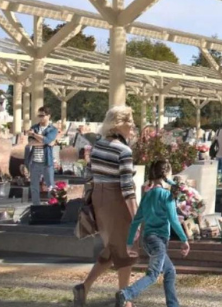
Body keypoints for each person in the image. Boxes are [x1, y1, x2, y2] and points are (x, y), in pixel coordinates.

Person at [74, 106, 137, 307]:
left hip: (99, 200)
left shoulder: (98, 145)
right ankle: (123, 299)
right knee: (126, 251)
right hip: (117, 200)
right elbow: (127, 188)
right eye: (130, 121)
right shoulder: (124, 150)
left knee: (111, 249)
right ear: (119, 124)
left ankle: (84, 287)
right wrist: (137, 217)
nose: (133, 125)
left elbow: (89, 175)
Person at [116, 159, 190, 307]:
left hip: (147, 240)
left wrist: (130, 242)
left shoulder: (147, 195)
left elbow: (136, 221)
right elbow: (174, 220)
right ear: (167, 174)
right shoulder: (166, 195)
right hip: (158, 241)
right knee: (153, 275)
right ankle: (126, 294)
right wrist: (184, 239)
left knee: (169, 271)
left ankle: (173, 304)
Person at [25, 106, 58, 205]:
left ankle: (52, 206)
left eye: (42, 115)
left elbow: (47, 140)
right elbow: (30, 142)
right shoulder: (34, 127)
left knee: (50, 186)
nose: (40, 117)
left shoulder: (53, 129)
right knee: (34, 186)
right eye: (39, 115)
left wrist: (35, 135)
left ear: (48, 116)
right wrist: (45, 141)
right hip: (34, 162)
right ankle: (36, 207)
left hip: (47, 162)